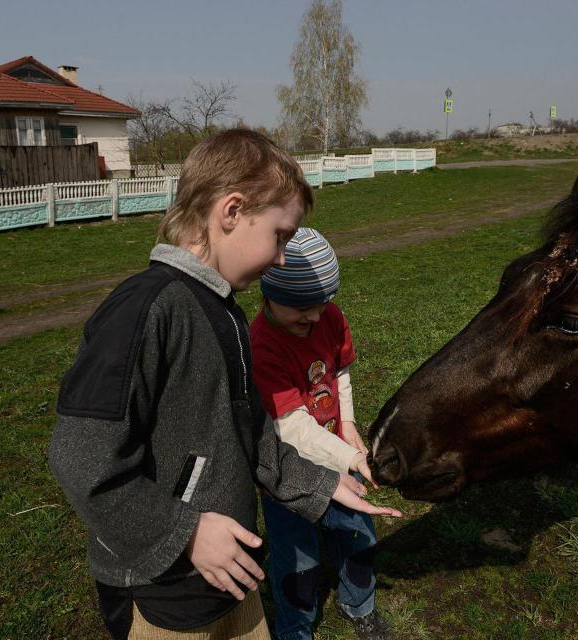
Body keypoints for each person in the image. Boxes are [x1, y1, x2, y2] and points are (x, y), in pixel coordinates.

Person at [49, 129, 401, 640]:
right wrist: (185, 532)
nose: (282, 258)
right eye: (279, 236)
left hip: (228, 577)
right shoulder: (146, 310)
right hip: (161, 591)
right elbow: (81, 458)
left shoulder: (221, 310)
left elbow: (249, 429)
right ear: (231, 212)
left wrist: (319, 483)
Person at [250, 228, 393, 640]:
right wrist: (350, 458)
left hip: (337, 459)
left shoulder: (329, 318)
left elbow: (340, 372)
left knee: (359, 537)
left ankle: (359, 604)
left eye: (321, 304)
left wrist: (346, 424)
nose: (314, 317)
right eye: (301, 308)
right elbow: (292, 426)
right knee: (298, 563)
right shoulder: (261, 347)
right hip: (287, 477)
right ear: (269, 294)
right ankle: (295, 628)